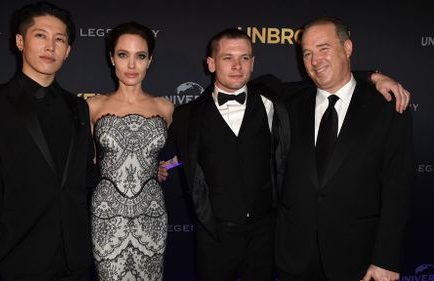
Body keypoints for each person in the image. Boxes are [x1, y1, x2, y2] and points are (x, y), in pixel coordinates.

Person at [166, 27, 410, 281]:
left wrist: (373, 76)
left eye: (245, 58)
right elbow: (157, 148)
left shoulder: (273, 96)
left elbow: (333, 76)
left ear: (253, 63)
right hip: (214, 238)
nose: (237, 66)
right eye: (228, 58)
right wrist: (162, 164)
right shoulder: (186, 116)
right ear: (211, 63)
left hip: (266, 239)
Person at [275, 17, 414, 281]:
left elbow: (399, 187)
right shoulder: (288, 102)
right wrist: (370, 75)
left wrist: (386, 259)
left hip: (359, 262)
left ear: (347, 48)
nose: (315, 60)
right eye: (307, 53)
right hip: (294, 260)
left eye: (323, 48)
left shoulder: (387, 106)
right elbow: (247, 84)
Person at [0, 2, 95, 280]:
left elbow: (85, 172)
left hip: (75, 254)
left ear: (68, 51)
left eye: (59, 39)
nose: (50, 46)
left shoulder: (78, 107)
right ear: (19, 41)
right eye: (41, 35)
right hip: (19, 253)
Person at [87, 22, 174, 280]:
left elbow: (194, 152)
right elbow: (85, 161)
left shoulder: (166, 108)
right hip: (107, 215)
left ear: (150, 60)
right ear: (112, 58)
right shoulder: (93, 106)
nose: (132, 65)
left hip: (152, 214)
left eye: (141, 56)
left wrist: (165, 166)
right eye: (123, 55)